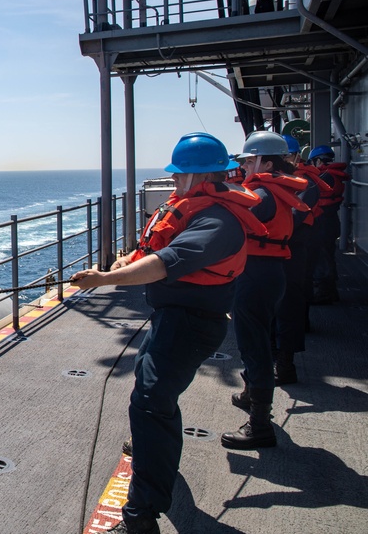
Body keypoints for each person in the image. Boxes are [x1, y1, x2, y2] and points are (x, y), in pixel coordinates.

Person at [72, 132, 266, 534]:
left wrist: (105, 278)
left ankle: (141, 517)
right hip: (174, 319)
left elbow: (165, 263)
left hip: (189, 324)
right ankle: (154, 458)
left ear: (199, 176)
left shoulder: (218, 220)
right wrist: (130, 258)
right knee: (152, 399)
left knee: (151, 404)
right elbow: (155, 251)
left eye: (180, 175)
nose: (174, 182)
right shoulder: (197, 209)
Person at [222, 132, 308, 450]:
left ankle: (259, 425)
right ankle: (250, 394)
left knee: (254, 346)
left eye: (248, 160)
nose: (244, 166)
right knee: (260, 338)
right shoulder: (278, 190)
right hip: (270, 272)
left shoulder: (260, 193)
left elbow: (229, 226)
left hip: (255, 275)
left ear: (265, 161)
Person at [277, 135, 328, 380]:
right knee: (282, 304)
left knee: (289, 304)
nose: (283, 161)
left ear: (297, 157)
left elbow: (294, 219)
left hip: (294, 250)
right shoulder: (281, 184)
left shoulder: (307, 184)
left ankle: (286, 365)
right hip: (280, 252)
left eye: (286, 156)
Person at [308, 145, 351, 303]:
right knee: (327, 256)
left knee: (321, 257)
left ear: (318, 160)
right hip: (331, 221)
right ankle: (329, 289)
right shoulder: (333, 175)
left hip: (323, 222)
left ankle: (325, 293)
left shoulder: (324, 176)